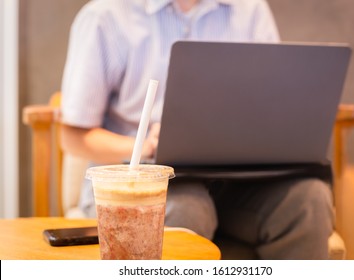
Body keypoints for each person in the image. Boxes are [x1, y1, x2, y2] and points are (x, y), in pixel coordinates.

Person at [60, 0, 334, 259]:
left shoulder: (250, 10)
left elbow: (273, 101)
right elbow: (73, 136)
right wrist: (144, 146)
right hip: (145, 188)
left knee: (309, 200)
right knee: (188, 209)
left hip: (240, 183)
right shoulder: (105, 17)